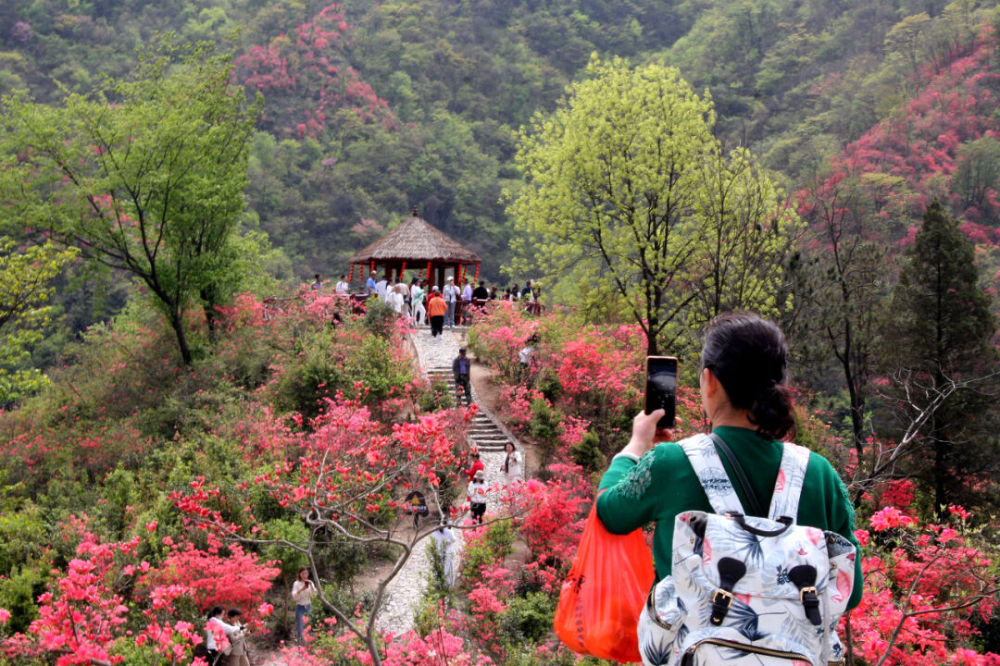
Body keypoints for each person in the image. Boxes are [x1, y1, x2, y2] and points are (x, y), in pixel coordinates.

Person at [596, 311, 863, 611]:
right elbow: (850, 593)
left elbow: (609, 513)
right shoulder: (819, 474)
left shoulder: (671, 462)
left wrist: (636, 446)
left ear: (710, 381)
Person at [291, 567, 317, 644]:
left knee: (310, 626)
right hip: (300, 607)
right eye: (303, 574)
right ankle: (300, 646)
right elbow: (295, 596)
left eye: (306, 573)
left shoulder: (310, 582)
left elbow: (314, 596)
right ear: (300, 574)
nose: (305, 575)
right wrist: (302, 589)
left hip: (308, 606)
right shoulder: (296, 583)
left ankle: (310, 644)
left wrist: (311, 586)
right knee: (300, 627)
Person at [429, 521, 457, 588]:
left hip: (437, 552)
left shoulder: (434, 531)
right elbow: (454, 539)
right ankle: (448, 586)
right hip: (447, 553)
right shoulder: (448, 531)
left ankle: (439, 585)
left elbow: (432, 540)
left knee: (438, 570)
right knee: (448, 570)